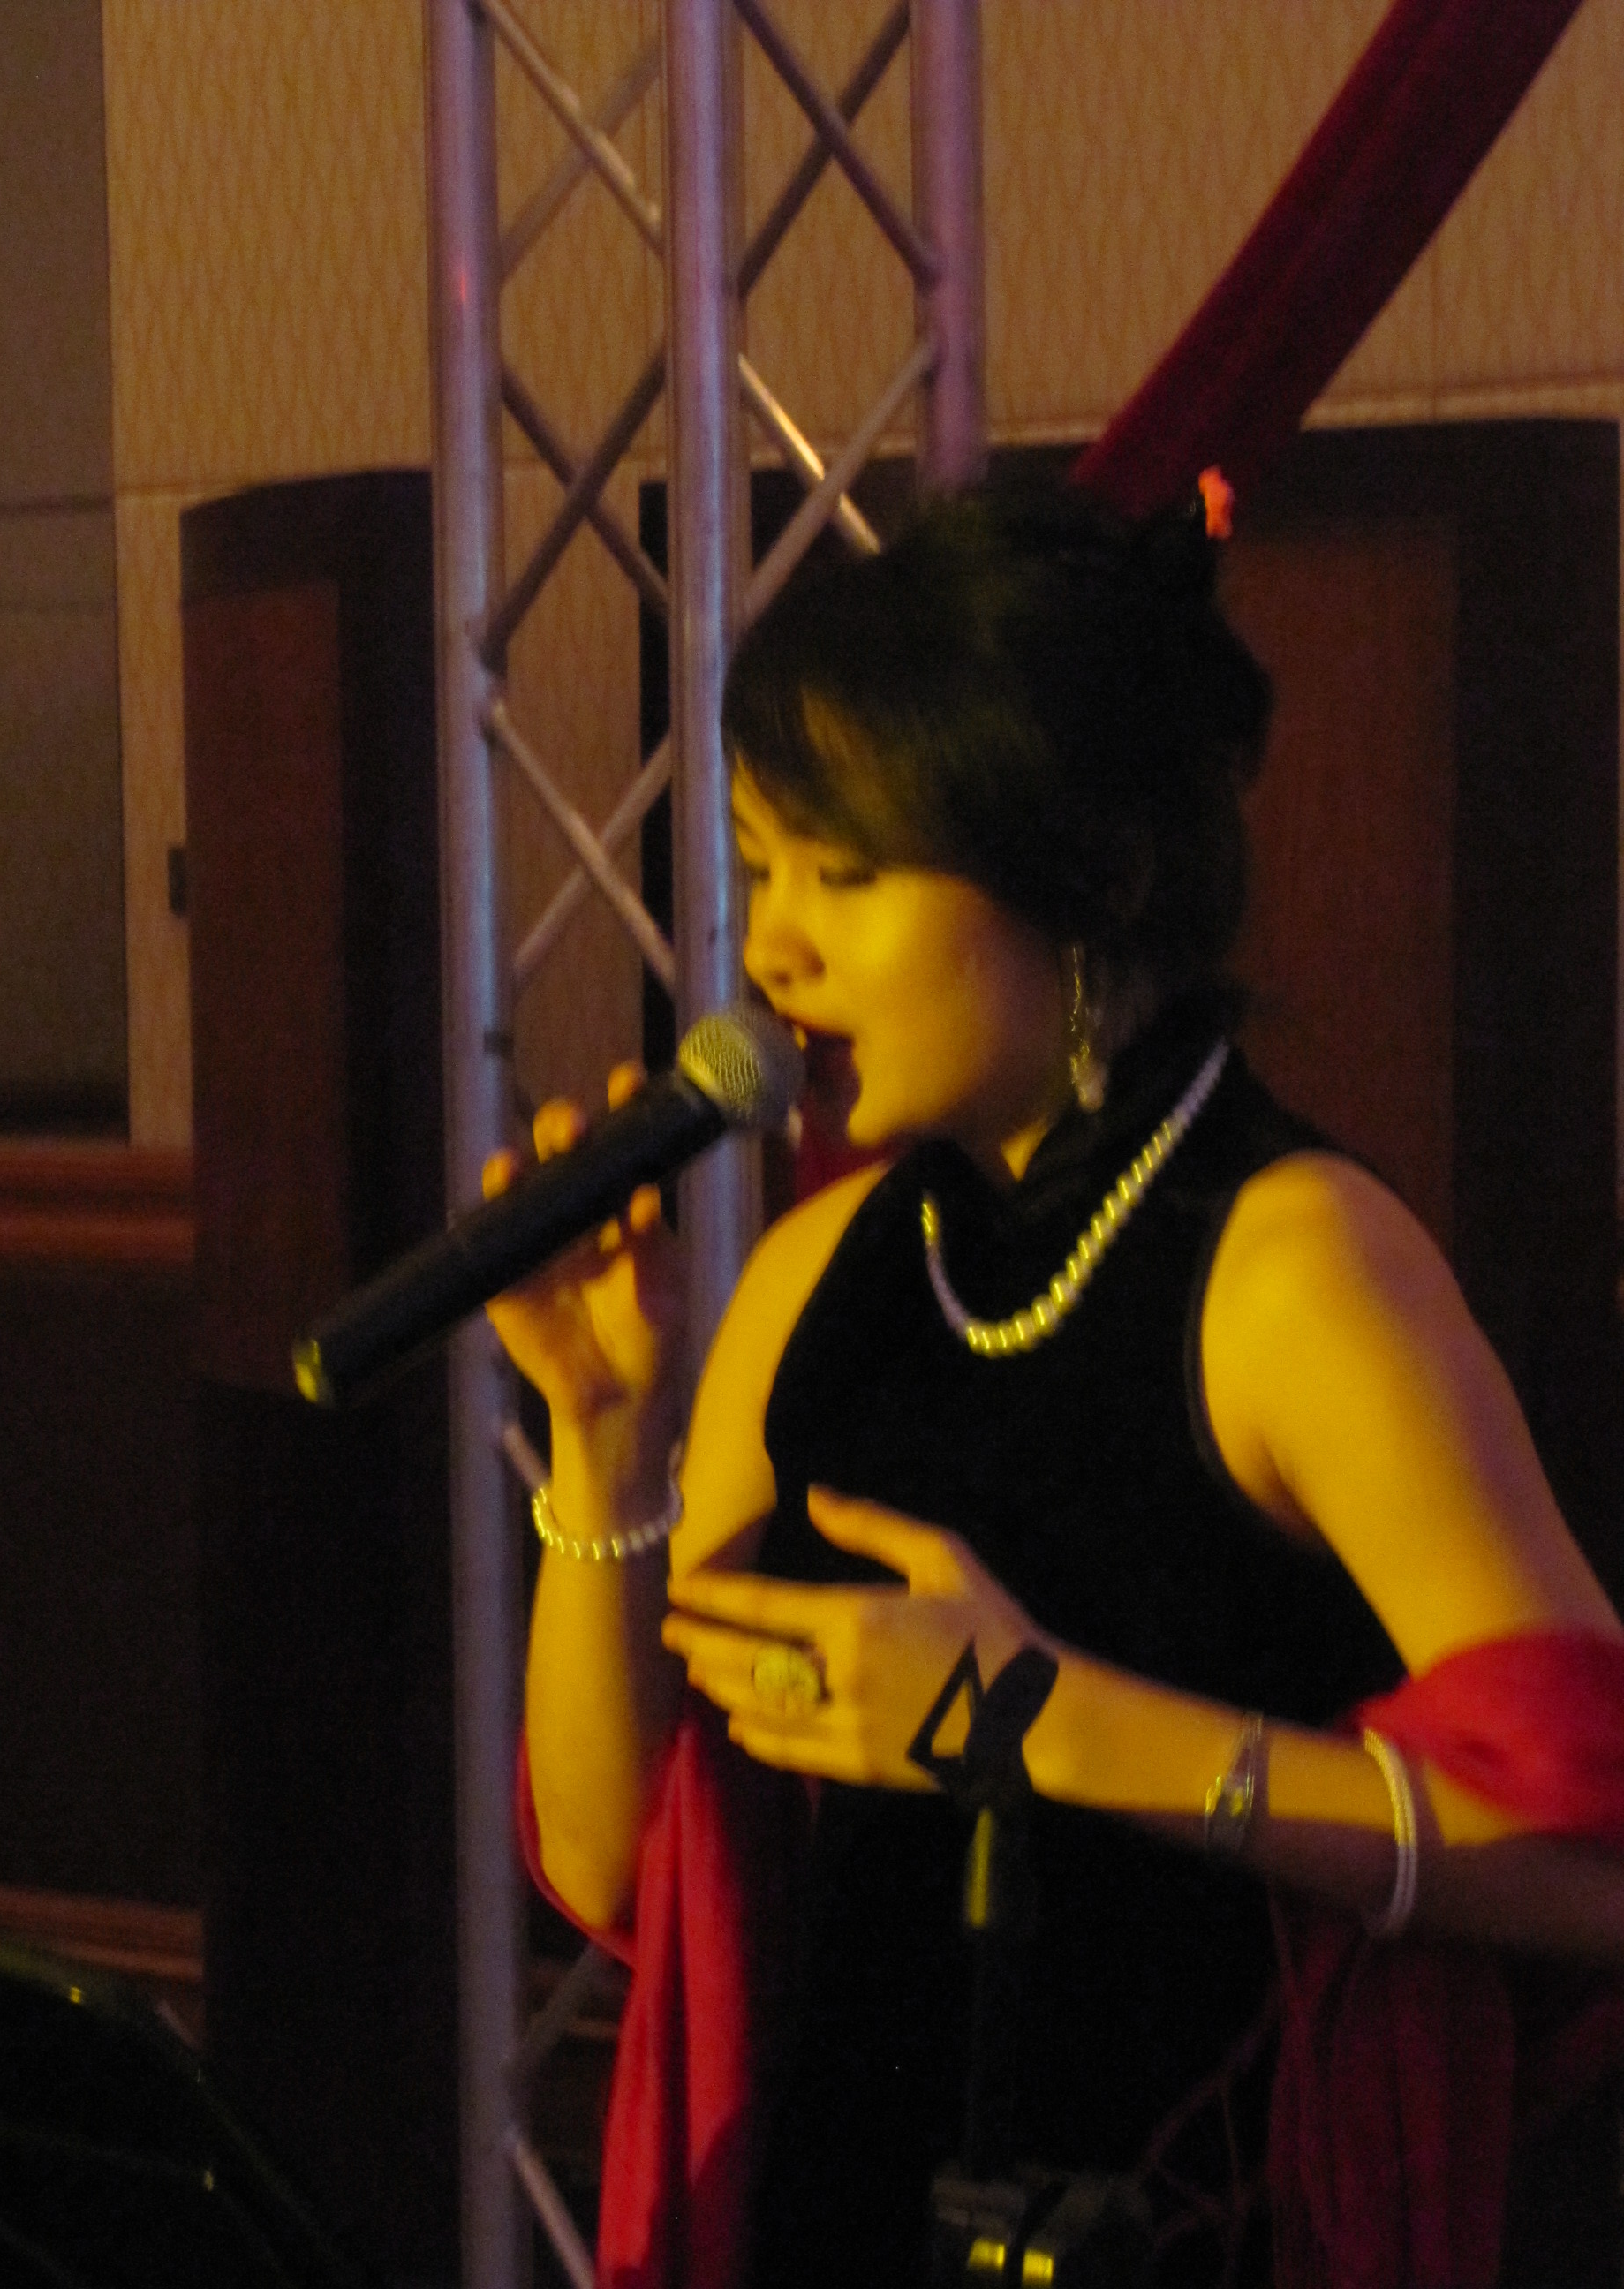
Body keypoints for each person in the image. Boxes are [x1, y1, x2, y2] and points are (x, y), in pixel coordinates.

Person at [488, 485, 1624, 2288]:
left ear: (1087, 879)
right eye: (762, 871)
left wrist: (1052, 1726)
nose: (771, 952)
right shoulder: (817, 1271)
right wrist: (603, 1443)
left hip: (1176, 2231)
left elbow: (1591, 1864)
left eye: (843, 877)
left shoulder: (1294, 1268)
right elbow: (618, 1864)